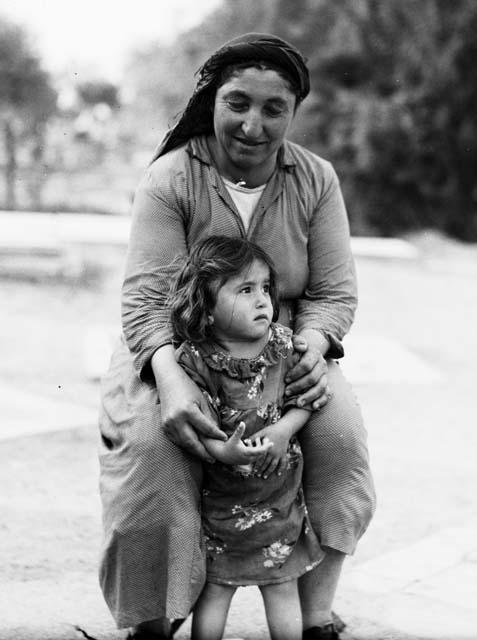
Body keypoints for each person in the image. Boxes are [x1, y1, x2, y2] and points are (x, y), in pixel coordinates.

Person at [98, 32, 376, 640]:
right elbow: (145, 300)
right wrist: (169, 379)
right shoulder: (172, 178)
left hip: (280, 353)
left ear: (293, 113)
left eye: (273, 109)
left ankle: (314, 617)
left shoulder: (315, 179)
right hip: (174, 349)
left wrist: (316, 343)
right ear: (213, 102)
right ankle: (154, 618)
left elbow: (332, 292)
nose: (253, 125)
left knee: (341, 436)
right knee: (152, 449)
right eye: (238, 103)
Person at [169, 235, 323, 640]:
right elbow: (199, 422)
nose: (262, 300)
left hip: (279, 499)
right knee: (216, 589)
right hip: (223, 502)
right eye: (245, 289)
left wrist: (284, 429)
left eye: (265, 289)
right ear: (207, 305)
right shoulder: (198, 359)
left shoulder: (285, 345)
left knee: (282, 586)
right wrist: (226, 451)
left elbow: (307, 399)